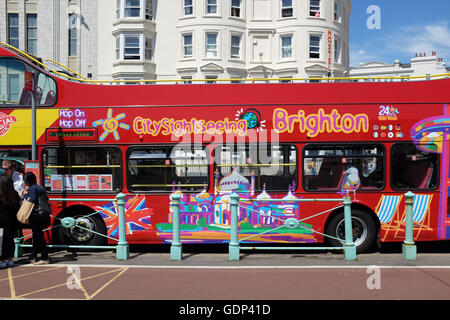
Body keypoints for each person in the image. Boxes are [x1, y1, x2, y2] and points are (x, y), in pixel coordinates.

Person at [22, 171, 51, 265]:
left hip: (37, 215)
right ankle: (33, 256)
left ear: (27, 181)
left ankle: (44, 257)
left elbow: (32, 199)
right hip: (43, 215)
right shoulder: (40, 187)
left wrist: (24, 195)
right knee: (37, 236)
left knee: (39, 237)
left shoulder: (32, 188)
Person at [0, 174, 20, 268]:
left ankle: (3, 260)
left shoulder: (1, 194)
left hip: (2, 220)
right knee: (10, 240)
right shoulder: (15, 194)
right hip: (13, 220)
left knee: (2, 241)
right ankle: (10, 259)